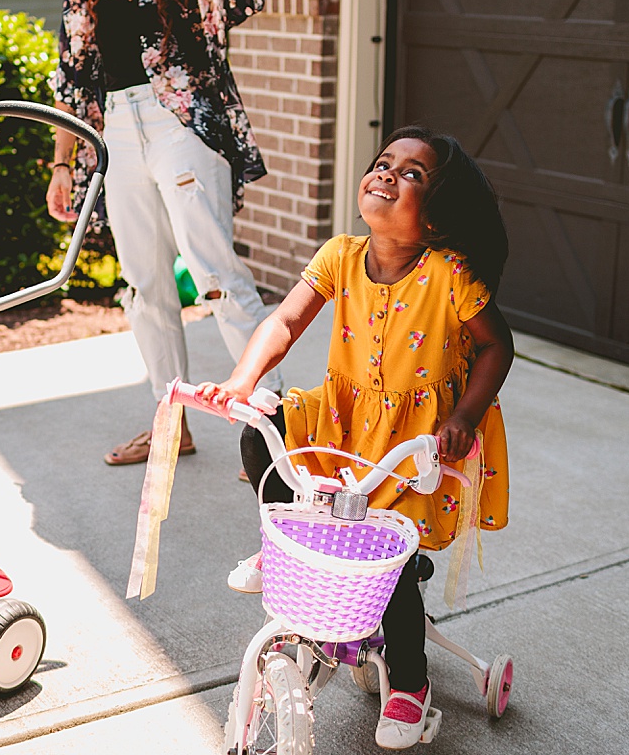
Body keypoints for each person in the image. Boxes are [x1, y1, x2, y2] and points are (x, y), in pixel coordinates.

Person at [196, 129, 515, 750]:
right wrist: (240, 382)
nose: (387, 175)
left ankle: (411, 691)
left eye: (413, 174)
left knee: (386, 562)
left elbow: (495, 345)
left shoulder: (449, 275)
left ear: (438, 215)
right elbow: (285, 320)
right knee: (264, 430)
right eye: (382, 163)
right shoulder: (340, 255)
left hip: (415, 444)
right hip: (343, 424)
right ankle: (287, 535)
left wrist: (465, 417)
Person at [44, 0, 346, 468]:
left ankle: (273, 431)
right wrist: (63, 164)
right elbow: (72, 78)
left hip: (182, 127)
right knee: (144, 286)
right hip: (115, 139)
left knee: (216, 278)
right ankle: (170, 422)